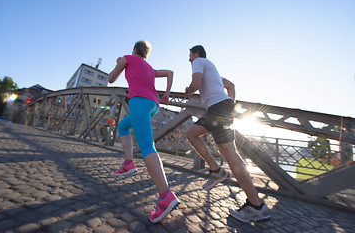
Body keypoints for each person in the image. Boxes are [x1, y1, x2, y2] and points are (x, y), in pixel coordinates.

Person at [185, 45, 270, 223]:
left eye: (190, 55)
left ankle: (256, 206)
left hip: (218, 109)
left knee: (231, 155)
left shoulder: (199, 61)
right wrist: (230, 103)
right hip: (217, 110)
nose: (189, 59)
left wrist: (188, 90)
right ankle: (216, 170)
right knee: (192, 134)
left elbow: (195, 84)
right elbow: (231, 85)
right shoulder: (213, 72)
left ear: (196, 53)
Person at [108, 40, 179, 223]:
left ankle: (165, 196)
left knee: (147, 145)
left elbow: (110, 78)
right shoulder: (149, 67)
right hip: (153, 104)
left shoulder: (127, 58)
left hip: (139, 101)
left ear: (134, 50)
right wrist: (167, 94)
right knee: (123, 126)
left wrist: (119, 63)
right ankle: (128, 163)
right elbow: (170, 72)